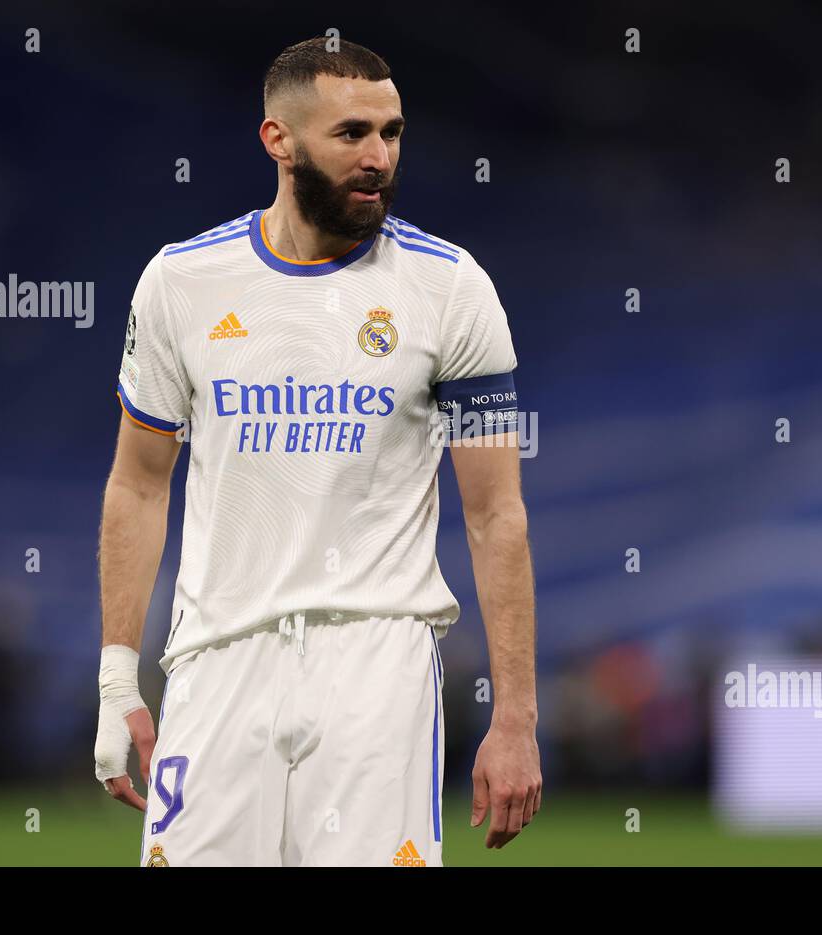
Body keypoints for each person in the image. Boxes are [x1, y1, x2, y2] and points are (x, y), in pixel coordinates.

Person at [93, 36, 540, 866]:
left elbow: (494, 512)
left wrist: (515, 717)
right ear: (279, 140)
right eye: (352, 135)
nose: (379, 157)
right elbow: (139, 488)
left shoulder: (451, 288)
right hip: (217, 660)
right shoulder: (181, 283)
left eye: (393, 133)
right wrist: (120, 681)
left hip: (377, 662)